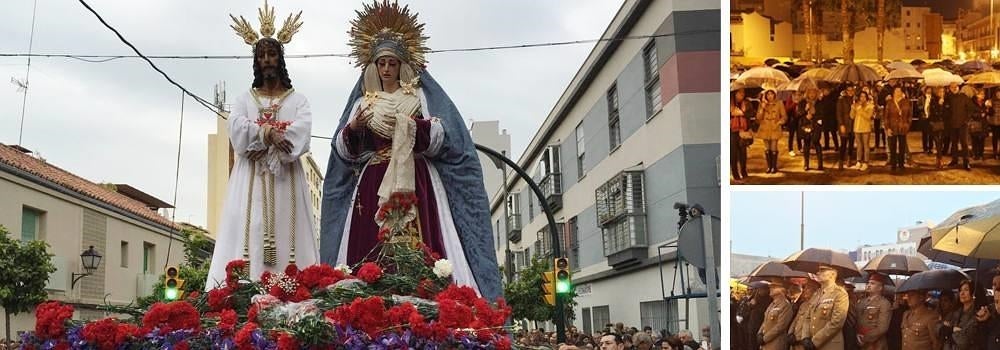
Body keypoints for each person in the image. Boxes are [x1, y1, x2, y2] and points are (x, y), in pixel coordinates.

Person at [320, 1, 502, 300]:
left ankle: (431, 299)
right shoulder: (364, 103)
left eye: (392, 63)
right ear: (374, 66)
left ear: (402, 64)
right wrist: (353, 129)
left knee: (421, 243)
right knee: (370, 245)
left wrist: (413, 127)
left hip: (417, 181)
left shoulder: (418, 96)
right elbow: (345, 154)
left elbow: (444, 137)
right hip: (373, 183)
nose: (387, 69)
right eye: (382, 63)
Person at [206, 2, 319, 287]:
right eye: (262, 55)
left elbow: (303, 128)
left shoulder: (297, 99)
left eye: (272, 54)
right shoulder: (246, 98)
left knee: (286, 234)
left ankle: (291, 289)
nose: (267, 59)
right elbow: (236, 126)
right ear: (256, 62)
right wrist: (265, 134)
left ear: (280, 59)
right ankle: (248, 289)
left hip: (286, 179)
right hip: (251, 178)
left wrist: (279, 138)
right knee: (252, 227)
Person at [802, 265, 850, 350]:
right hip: (811, 344)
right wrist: (805, 337)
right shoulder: (816, 294)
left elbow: (836, 322)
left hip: (829, 345)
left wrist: (815, 341)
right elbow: (807, 317)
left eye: (822, 270)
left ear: (832, 274)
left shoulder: (840, 294)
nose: (818, 273)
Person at [942, 280, 982, 350]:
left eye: (966, 290)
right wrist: (952, 330)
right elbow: (938, 328)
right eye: (960, 290)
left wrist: (948, 331)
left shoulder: (977, 315)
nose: (962, 293)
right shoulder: (955, 312)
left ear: (973, 293)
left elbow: (963, 341)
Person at [856, 273, 892, 350]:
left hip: (876, 344)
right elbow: (856, 320)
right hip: (860, 342)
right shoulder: (861, 302)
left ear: (880, 288)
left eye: (872, 283)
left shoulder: (884, 303)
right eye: (868, 283)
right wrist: (857, 335)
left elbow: (883, 327)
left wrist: (865, 338)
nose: (869, 285)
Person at [758, 279, 794, 350]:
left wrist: (765, 338)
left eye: (774, 287)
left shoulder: (785, 305)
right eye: (771, 287)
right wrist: (759, 333)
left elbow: (780, 326)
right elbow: (765, 321)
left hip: (776, 344)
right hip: (765, 344)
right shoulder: (772, 304)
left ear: (782, 289)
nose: (770, 288)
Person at [758, 89, 787, 174]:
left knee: (774, 147)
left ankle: (774, 167)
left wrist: (779, 123)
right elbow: (758, 118)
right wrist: (762, 108)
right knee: (767, 148)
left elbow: (784, 117)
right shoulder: (762, 104)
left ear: (775, 94)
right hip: (765, 128)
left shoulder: (779, 103)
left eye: (771, 94)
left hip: (775, 128)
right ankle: (769, 166)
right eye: (768, 94)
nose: (770, 96)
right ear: (765, 95)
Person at [885, 87, 912, 172]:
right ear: (893, 93)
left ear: (902, 92)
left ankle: (901, 164)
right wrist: (887, 128)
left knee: (902, 146)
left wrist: (907, 125)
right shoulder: (889, 102)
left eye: (899, 91)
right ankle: (893, 164)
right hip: (892, 127)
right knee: (892, 147)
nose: (898, 92)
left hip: (903, 127)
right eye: (896, 91)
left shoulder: (906, 102)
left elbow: (910, 115)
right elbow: (886, 116)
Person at [947, 83, 974, 170]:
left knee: (964, 144)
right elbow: (947, 110)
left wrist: (966, 120)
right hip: (953, 124)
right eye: (952, 87)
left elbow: (971, 108)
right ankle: (954, 160)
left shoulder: (964, 97)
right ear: (950, 88)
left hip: (963, 124)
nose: (954, 88)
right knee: (954, 143)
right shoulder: (949, 98)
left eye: (955, 87)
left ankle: (966, 162)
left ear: (958, 87)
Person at [799, 88, 825, 171]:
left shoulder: (819, 102)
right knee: (806, 143)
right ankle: (806, 164)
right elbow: (799, 114)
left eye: (814, 92)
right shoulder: (803, 102)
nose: (812, 94)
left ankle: (820, 164)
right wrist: (806, 110)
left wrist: (815, 116)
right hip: (805, 125)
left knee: (816, 142)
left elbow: (822, 114)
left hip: (816, 125)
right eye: (810, 92)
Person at [851, 91, 875, 171]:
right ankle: (858, 161)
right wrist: (853, 108)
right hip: (857, 127)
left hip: (865, 128)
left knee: (865, 145)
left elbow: (868, 117)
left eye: (864, 96)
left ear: (867, 97)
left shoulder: (870, 106)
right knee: (859, 146)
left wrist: (860, 110)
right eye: (861, 96)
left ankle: (866, 162)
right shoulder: (857, 106)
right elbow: (852, 116)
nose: (862, 98)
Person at [731, 89, 751, 181]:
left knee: (743, 153)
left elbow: (751, 113)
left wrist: (742, 113)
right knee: (733, 153)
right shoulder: (728, 102)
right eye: (739, 92)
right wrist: (732, 114)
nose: (741, 94)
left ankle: (743, 171)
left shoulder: (746, 102)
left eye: (743, 92)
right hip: (732, 131)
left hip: (743, 130)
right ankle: (735, 174)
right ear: (735, 93)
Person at [929, 87, 950, 168]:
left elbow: (948, 112)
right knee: (938, 141)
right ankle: (939, 159)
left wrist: (943, 106)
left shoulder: (947, 100)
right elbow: (932, 112)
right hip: (936, 123)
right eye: (940, 91)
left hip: (944, 123)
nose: (942, 93)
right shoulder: (933, 100)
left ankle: (939, 158)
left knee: (941, 141)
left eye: (943, 91)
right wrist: (939, 105)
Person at [837, 86, 856, 169]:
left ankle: (849, 159)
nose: (850, 92)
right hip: (844, 124)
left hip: (854, 124)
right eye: (849, 90)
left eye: (852, 90)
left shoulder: (855, 100)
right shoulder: (841, 100)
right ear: (846, 91)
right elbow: (839, 113)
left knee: (851, 143)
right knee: (843, 143)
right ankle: (841, 160)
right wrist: (841, 124)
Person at [971, 89, 989, 161]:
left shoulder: (985, 103)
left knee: (982, 140)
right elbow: (971, 113)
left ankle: (981, 154)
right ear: (977, 95)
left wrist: (989, 108)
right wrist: (979, 115)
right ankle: (975, 154)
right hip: (976, 124)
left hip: (983, 124)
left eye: (983, 94)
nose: (983, 95)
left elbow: (991, 113)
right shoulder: (972, 102)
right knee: (975, 140)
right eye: (981, 94)